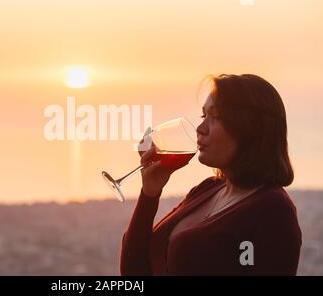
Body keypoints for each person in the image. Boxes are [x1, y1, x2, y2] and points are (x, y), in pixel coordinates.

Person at [120, 74, 302, 275]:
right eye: (203, 116)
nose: (200, 129)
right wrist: (150, 193)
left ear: (250, 128)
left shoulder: (272, 211)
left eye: (216, 117)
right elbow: (133, 272)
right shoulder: (207, 189)